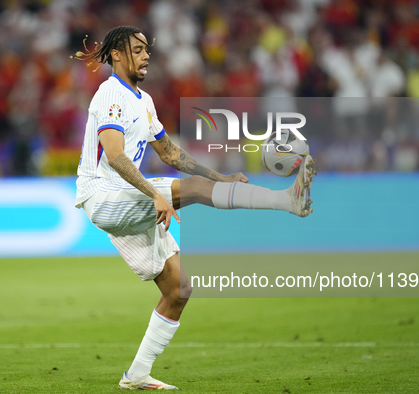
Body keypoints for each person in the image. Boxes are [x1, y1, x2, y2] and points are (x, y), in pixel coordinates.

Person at [73, 26, 315, 390]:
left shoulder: (144, 100)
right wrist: (154, 194)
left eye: (146, 49)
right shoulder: (109, 95)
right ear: (117, 55)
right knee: (197, 192)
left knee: (179, 289)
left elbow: (170, 153)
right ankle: (287, 200)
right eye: (136, 49)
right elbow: (115, 154)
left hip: (127, 199)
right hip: (104, 195)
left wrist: (219, 176)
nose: (146, 55)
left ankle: (136, 375)